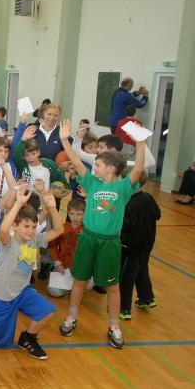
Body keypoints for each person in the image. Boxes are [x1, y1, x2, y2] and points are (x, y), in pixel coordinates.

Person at [57, 118, 146, 348]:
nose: (93, 168)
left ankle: (114, 325)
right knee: (79, 280)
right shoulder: (93, 184)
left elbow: (137, 169)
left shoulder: (123, 187)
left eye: (97, 165)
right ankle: (72, 316)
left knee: (112, 286)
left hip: (110, 244)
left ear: (111, 168)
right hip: (88, 239)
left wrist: (140, 144)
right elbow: (76, 160)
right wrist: (65, 140)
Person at [0, 185, 63, 360]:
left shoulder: (35, 239)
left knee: (48, 311)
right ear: (16, 225)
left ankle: (28, 337)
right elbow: (3, 229)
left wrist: (52, 208)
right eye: (26, 226)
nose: (30, 230)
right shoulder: (8, 242)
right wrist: (18, 203)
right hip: (1, 296)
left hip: (22, 291)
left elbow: (58, 230)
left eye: (34, 226)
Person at [119, 172, 161, 319]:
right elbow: (158, 214)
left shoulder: (128, 202)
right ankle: (147, 298)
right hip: (147, 245)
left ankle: (124, 309)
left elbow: (127, 225)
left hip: (130, 248)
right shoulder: (148, 197)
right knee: (141, 270)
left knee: (126, 277)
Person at [47, 198, 86, 298]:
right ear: (68, 213)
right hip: (63, 267)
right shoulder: (62, 228)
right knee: (54, 292)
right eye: (72, 214)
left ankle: (74, 287)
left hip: (80, 268)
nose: (75, 218)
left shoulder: (87, 230)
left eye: (79, 214)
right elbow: (53, 245)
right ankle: (67, 286)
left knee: (88, 285)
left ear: (85, 214)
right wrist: (56, 261)